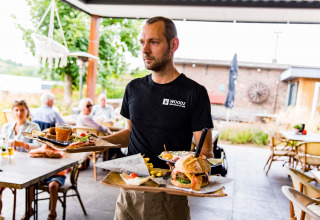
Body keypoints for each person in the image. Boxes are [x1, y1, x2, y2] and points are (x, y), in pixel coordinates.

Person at [102, 16, 213, 220]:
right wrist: (99, 142)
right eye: (143, 42)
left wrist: (181, 163)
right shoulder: (133, 88)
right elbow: (129, 133)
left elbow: (205, 151)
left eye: (154, 42)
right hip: (129, 189)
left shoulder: (194, 93)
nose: (145, 50)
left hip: (168, 195)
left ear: (173, 45)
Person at [0, 100, 41, 219]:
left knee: (31, 181)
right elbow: (1, 144)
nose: (19, 113)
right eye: (16, 110)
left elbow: (38, 146)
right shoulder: (6, 126)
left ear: (27, 111)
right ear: (13, 112)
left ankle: (29, 209)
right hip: (7, 163)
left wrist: (22, 144)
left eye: (22, 110)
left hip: (27, 164)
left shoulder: (33, 126)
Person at [29, 145, 66, 220]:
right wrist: (45, 152)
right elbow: (31, 152)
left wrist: (40, 154)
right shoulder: (44, 148)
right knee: (30, 184)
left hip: (57, 175)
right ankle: (29, 210)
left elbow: (58, 155)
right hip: (43, 175)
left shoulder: (59, 148)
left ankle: (52, 213)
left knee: (52, 186)